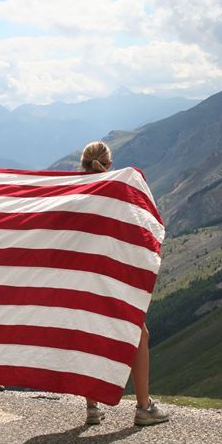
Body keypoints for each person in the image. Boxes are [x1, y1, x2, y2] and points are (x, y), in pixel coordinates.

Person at [80, 141, 169, 427]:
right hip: (112, 278)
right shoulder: (119, 191)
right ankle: (144, 407)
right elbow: (139, 230)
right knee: (137, 333)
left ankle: (92, 407)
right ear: (109, 164)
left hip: (80, 280)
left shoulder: (71, 192)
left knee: (87, 335)